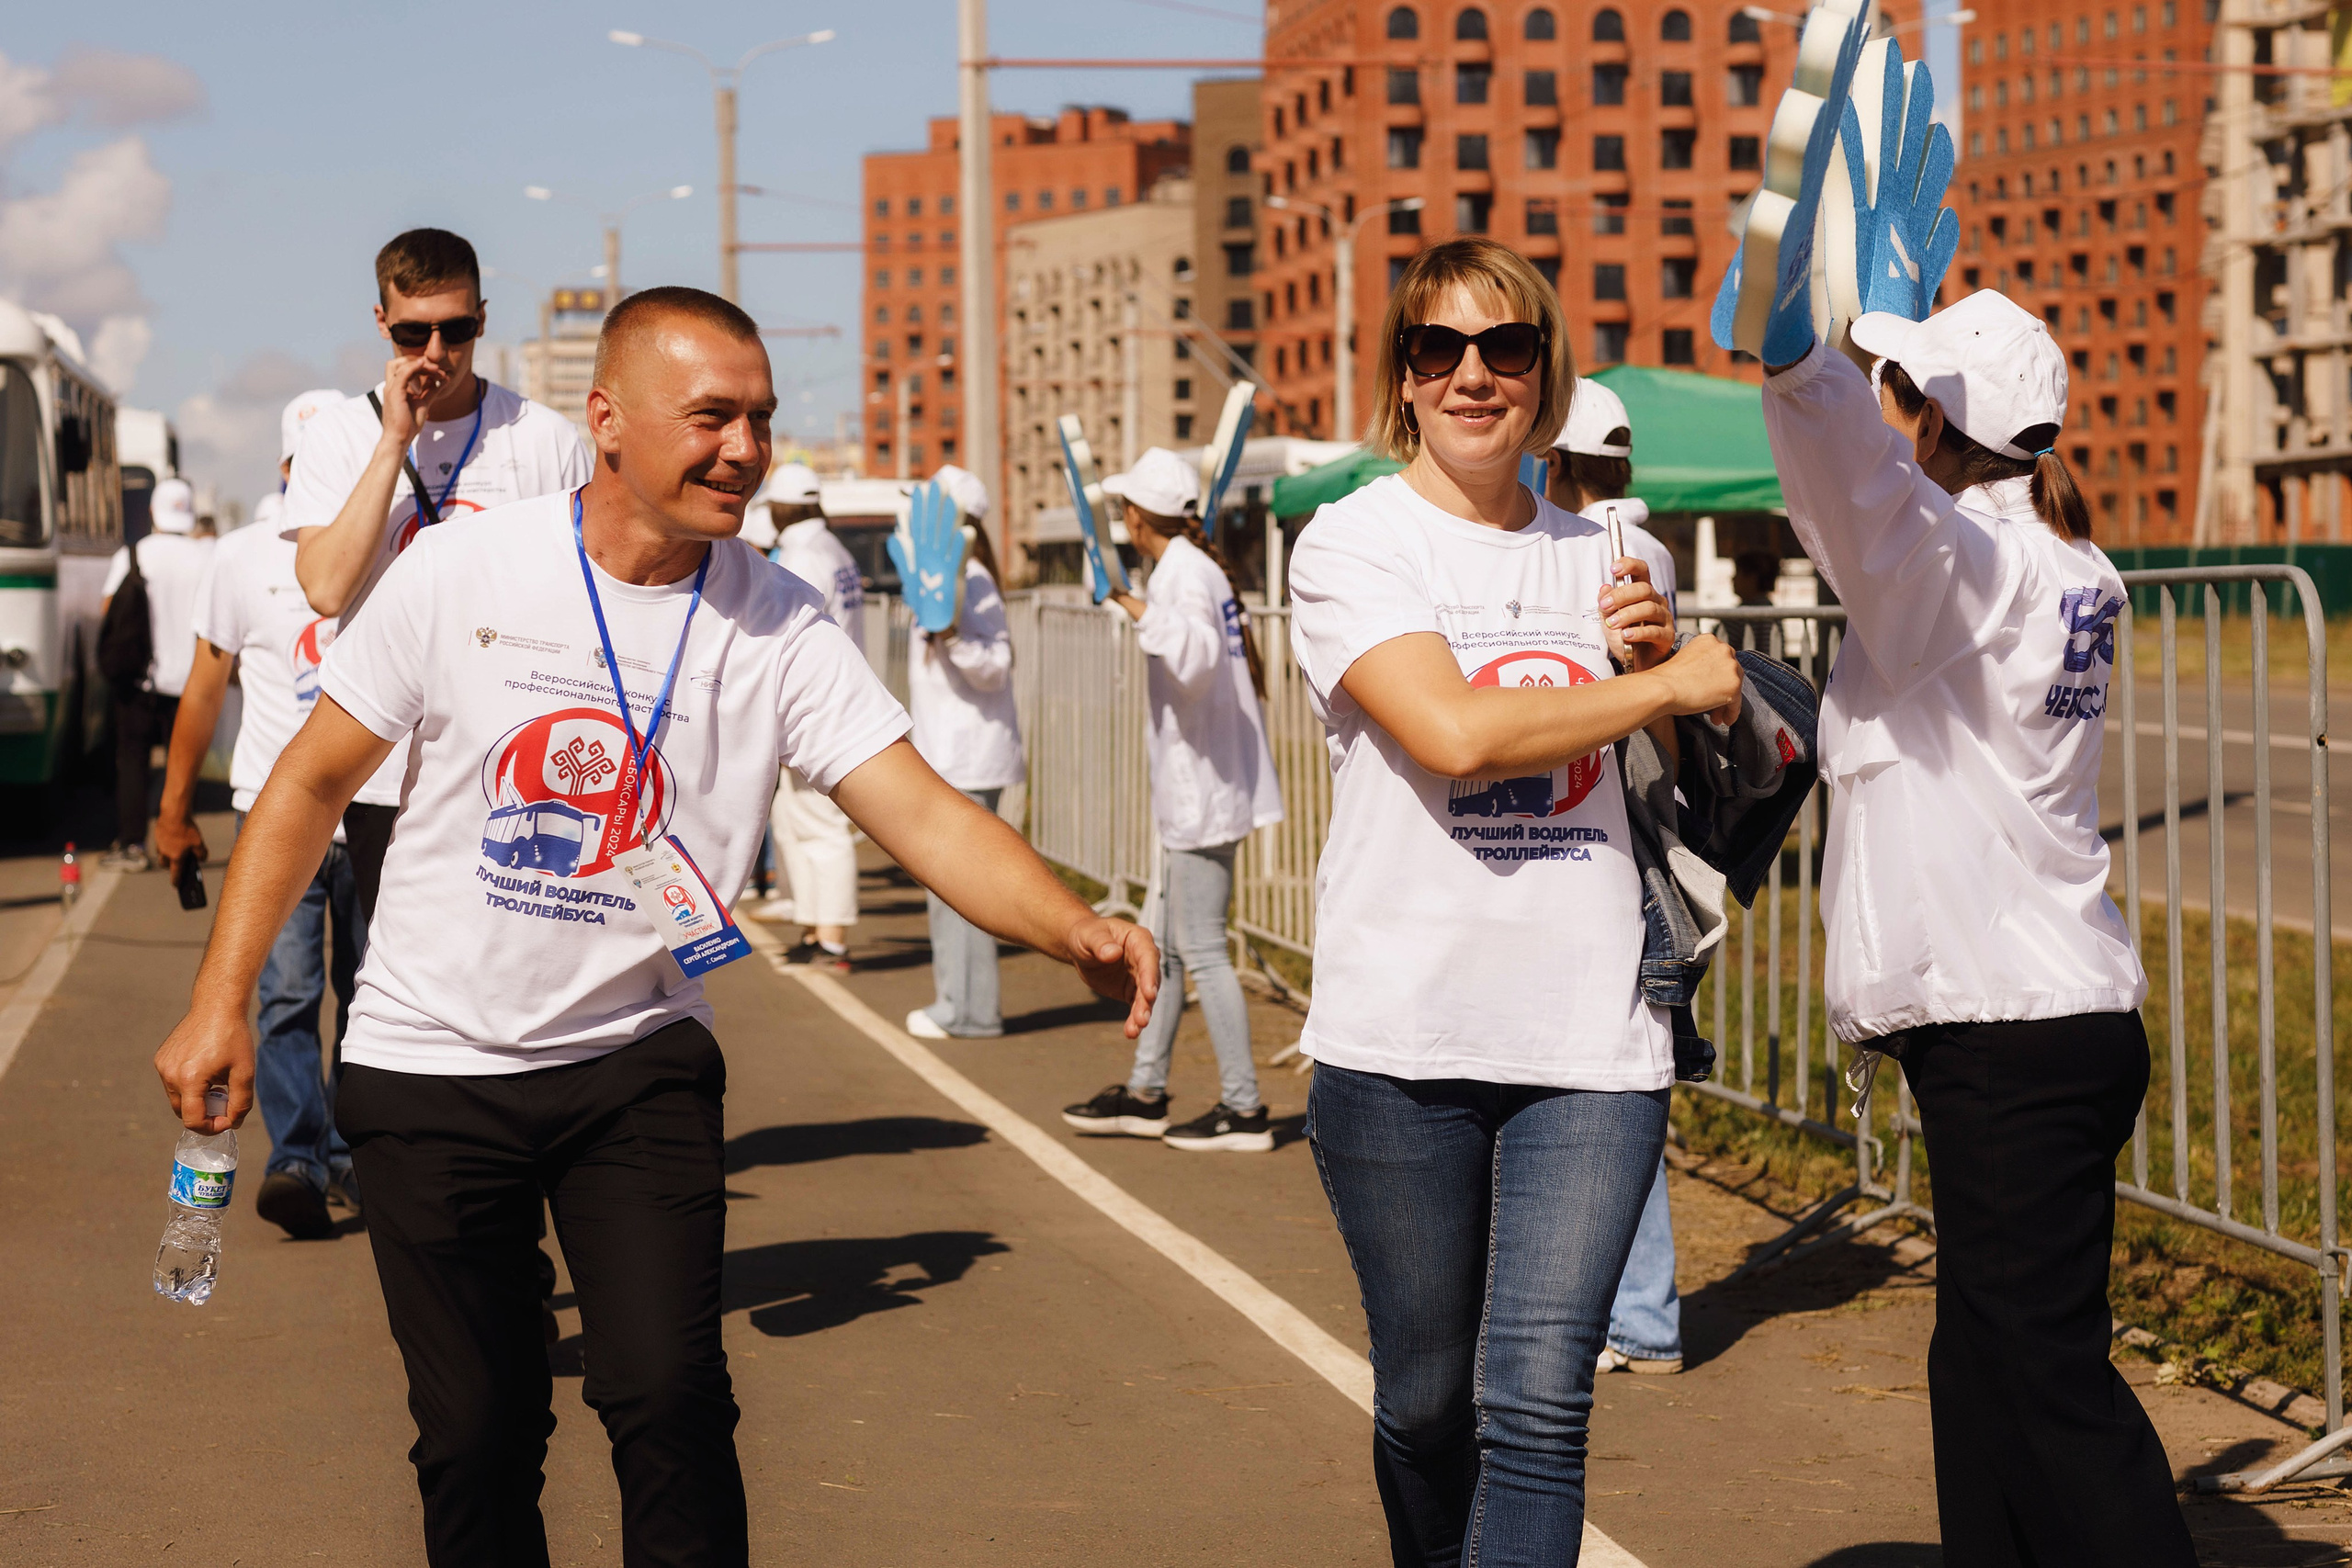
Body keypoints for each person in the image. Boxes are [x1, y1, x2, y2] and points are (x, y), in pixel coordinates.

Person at [153, 287, 1158, 1568]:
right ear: (608, 422)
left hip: (634, 1064)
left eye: (761, 419)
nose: (745, 446)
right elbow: (306, 778)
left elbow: (922, 809)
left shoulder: (780, 617)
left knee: (670, 1400)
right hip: (427, 1065)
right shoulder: (465, 568)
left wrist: (1074, 922)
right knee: (478, 1431)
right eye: (712, 416)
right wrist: (220, 995)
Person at [1284, 237, 1742, 1562]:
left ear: (1545, 373)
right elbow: (1456, 736)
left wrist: (1655, 675)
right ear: (1405, 378)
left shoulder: (1613, 547)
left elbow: (1645, 767)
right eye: (1441, 347)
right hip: (1400, 1035)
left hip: (1589, 1035)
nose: (1475, 373)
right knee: (1426, 1402)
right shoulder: (1355, 539)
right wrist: (1664, 683)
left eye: (1507, 347)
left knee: (1537, 1404)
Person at [1762, 290, 2193, 1564]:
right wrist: (1863, 365)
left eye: (1909, 396)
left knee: (2044, 1381)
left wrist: (1807, 367)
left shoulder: (1969, 573)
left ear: (1942, 422)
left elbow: (1858, 498)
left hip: (2012, 1027)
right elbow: (1879, 511)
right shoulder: (2063, 565)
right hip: (2048, 1018)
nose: (1890, 418)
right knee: (1984, 1360)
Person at [282, 227, 590, 922]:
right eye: (412, 333)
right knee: (375, 989)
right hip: (383, 770)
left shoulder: (544, 438)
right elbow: (325, 588)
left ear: (482, 318)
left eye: (455, 329)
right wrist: (396, 438)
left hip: (509, 770)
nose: (435, 354)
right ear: (381, 322)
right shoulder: (337, 434)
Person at [155, 389, 376, 1241]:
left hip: (374, 811)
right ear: (289, 471)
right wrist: (174, 812)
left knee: (372, 996)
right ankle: (299, 1157)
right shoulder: (241, 559)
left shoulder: (391, 547)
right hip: (276, 817)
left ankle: (360, 1153)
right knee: (285, 995)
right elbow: (203, 693)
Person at [1059, 446, 1284, 1151]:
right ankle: (1146, 1089)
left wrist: (1124, 600)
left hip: (1202, 791)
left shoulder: (1184, 573)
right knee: (1173, 949)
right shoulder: (1191, 567)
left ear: (1134, 515)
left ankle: (1244, 1108)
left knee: (1204, 951)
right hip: (1201, 786)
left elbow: (1191, 663)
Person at [1547, 377, 1686, 1376]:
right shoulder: (1654, 546)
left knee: (1604, 1076)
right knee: (1628, 1065)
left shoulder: (1577, 553)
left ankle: (1632, 1315)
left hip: (1601, 827)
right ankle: (1636, 1312)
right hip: (1645, 822)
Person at [902, 463, 1025, 1041]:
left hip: (968, 758)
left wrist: (950, 636)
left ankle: (972, 1010)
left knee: (964, 890)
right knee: (948, 889)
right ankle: (958, 1000)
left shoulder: (970, 577)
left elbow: (996, 664)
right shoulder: (944, 574)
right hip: (946, 754)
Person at [759, 461, 868, 968]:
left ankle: (831, 938)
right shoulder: (833, 546)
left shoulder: (802, 553)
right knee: (796, 823)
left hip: (813, 704)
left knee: (819, 827)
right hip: (830, 698)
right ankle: (815, 929)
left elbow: (783, 633)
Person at [101, 476, 216, 871]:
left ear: (152, 512)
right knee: (181, 763)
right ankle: (179, 840)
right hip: (191, 684)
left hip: (140, 682)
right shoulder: (207, 556)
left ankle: (133, 845)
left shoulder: (132, 556)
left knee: (131, 760)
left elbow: (108, 614)